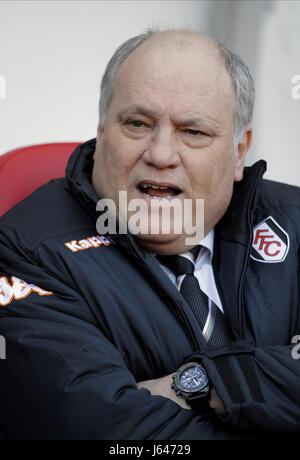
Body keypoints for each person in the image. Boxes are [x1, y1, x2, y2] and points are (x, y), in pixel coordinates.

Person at [0, 28, 299, 440]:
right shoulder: (24, 249)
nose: (160, 155)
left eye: (193, 132)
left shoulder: (294, 219)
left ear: (238, 151)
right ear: (102, 130)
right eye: (137, 124)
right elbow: (102, 432)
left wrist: (204, 381)